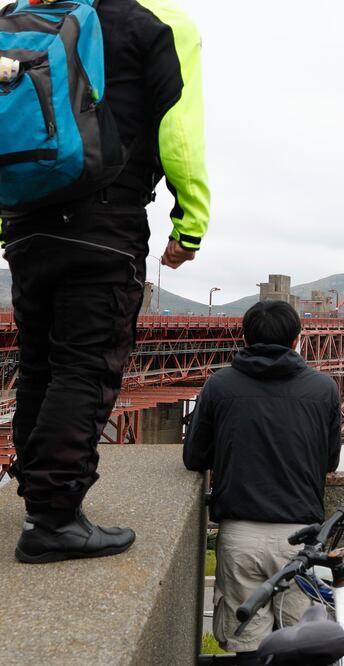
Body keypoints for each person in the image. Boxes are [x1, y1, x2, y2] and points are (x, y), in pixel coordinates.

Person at [4, 0, 210, 564]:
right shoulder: (159, 22)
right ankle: (53, 519)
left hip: (26, 226)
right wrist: (189, 224)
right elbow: (179, 132)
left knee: (41, 364)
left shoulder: (29, 13)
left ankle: (38, 498)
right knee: (86, 366)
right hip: (103, 220)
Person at [183, 300, 342, 662]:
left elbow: (194, 457)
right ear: (297, 339)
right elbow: (329, 461)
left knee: (247, 648)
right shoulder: (324, 389)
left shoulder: (219, 385)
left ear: (245, 337)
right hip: (301, 540)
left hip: (241, 536)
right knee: (304, 649)